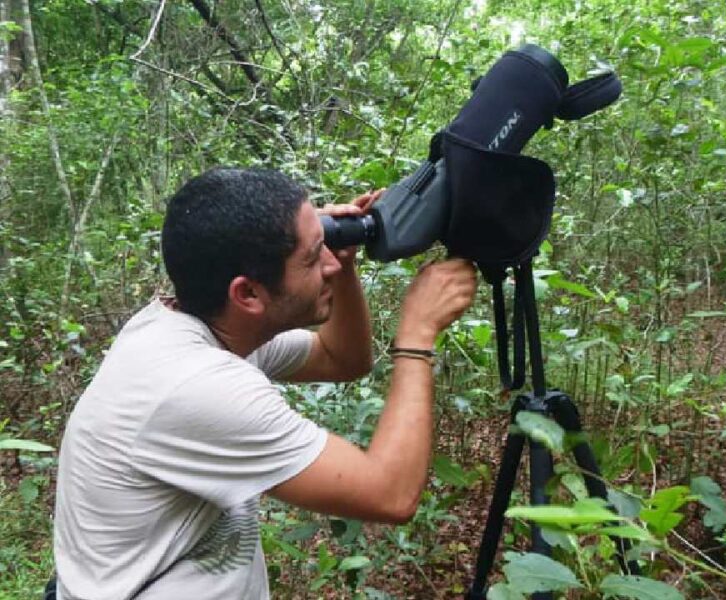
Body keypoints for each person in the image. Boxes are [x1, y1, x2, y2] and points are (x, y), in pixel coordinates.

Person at [51, 167, 477, 599]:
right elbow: (391, 494)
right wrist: (417, 336)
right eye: (313, 259)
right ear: (248, 295)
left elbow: (342, 359)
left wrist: (341, 267)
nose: (328, 263)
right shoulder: (197, 384)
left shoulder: (198, 324)